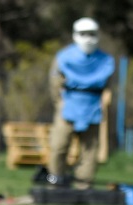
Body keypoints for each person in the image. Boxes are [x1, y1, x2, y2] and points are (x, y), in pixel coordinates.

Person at [47, 17, 115, 189]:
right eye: (83, 34)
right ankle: (56, 182)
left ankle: (83, 185)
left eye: (92, 34)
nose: (88, 39)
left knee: (90, 151)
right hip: (68, 107)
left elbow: (108, 85)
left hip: (92, 108)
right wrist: (60, 103)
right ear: (75, 35)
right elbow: (55, 83)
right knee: (58, 146)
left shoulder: (105, 60)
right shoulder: (64, 57)